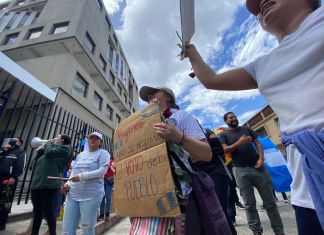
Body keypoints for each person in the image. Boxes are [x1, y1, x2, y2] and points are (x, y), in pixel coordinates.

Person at [183, 0, 323, 234]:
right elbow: (211, 80)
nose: (260, 4)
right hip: (307, 192)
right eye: (255, 8)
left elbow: (257, 142)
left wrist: (259, 158)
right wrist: (192, 53)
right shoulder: (262, 65)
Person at [130, 86, 212, 234]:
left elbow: (206, 154)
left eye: (153, 93)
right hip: (148, 197)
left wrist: (179, 137)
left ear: (168, 96)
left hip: (180, 197)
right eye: (147, 97)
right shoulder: (142, 126)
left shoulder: (181, 116)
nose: (149, 97)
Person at [219, 112, 284, 235]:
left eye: (235, 116)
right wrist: (239, 142)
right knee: (249, 204)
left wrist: (261, 158)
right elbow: (224, 150)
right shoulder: (224, 135)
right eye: (230, 118)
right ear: (226, 121)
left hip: (258, 168)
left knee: (270, 202)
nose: (234, 118)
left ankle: (279, 231)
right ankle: (256, 231)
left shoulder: (247, 129)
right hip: (240, 170)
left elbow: (258, 143)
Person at [62, 132, 110, 235]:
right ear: (87, 140)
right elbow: (74, 172)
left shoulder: (103, 153)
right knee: (67, 229)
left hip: (91, 195)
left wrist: (82, 176)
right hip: (73, 195)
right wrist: (68, 184)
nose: (93, 139)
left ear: (100, 142)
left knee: (87, 228)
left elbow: (102, 171)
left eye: (96, 138)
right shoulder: (81, 155)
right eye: (90, 137)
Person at [194, 128, 237, 234]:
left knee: (220, 208)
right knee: (210, 210)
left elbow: (217, 150)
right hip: (201, 176)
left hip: (217, 173)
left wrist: (198, 151)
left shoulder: (207, 132)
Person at [30, 134, 72, 235]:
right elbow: (36, 162)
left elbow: (49, 152)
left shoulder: (66, 149)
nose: (54, 139)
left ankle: (52, 233)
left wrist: (48, 144)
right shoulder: (50, 149)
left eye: (57, 137)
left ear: (62, 140)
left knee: (49, 211)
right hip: (37, 183)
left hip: (50, 184)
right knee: (37, 212)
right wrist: (42, 148)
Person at [0, 137, 26, 231]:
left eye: (15, 140)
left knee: (5, 201)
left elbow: (21, 166)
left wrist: (14, 177)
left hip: (8, 179)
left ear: (19, 143)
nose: (12, 141)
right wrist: (3, 151)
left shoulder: (20, 152)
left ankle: (1, 224)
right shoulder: (5, 151)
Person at [98, 155, 115, 221]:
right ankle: (101, 214)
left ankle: (107, 214)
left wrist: (109, 166)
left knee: (108, 197)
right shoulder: (103, 162)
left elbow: (114, 170)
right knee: (102, 197)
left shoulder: (112, 162)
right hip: (102, 180)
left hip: (109, 181)